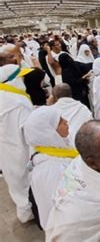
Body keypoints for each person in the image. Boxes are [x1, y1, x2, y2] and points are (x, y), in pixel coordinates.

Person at [23, 106, 72, 230]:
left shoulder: (56, 152)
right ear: (49, 131)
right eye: (60, 121)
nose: (66, 121)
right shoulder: (53, 169)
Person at [0, 64, 34, 222]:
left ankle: (24, 213)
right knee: (27, 181)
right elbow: (30, 132)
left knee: (14, 180)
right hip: (22, 148)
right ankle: (32, 212)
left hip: (5, 149)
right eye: (21, 78)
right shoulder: (18, 102)